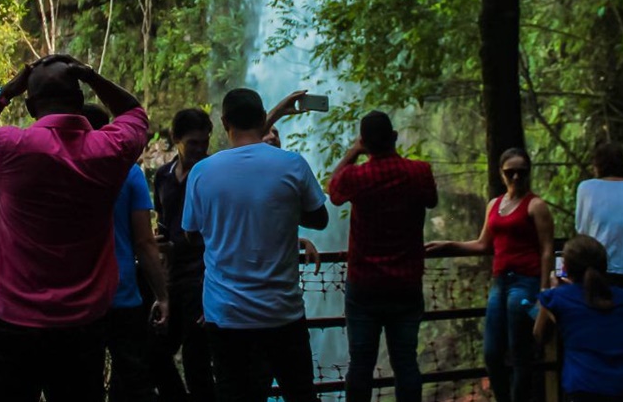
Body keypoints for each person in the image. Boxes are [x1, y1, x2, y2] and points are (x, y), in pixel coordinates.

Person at [0, 55, 148, 402]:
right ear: (81, 101)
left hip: (13, 323)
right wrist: (92, 76)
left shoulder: (9, 147)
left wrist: (3, 92)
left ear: (28, 105)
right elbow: (135, 114)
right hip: (82, 326)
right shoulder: (109, 149)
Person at [182, 88, 329, 402]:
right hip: (283, 312)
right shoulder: (293, 164)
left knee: (234, 394)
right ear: (264, 120)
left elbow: (191, 234)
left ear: (223, 123)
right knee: (301, 393)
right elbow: (320, 219)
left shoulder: (202, 172)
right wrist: (283, 210)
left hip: (226, 314)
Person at [426, 148, 555, 402]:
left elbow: (547, 250)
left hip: (525, 282)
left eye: (522, 172)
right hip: (500, 282)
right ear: (501, 173)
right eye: (510, 172)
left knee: (520, 352)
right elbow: (484, 244)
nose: (516, 177)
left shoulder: (536, 206)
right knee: (492, 353)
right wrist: (449, 245)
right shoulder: (494, 205)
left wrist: (544, 291)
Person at [329, 111, 437, 402]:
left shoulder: (357, 177)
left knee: (361, 366)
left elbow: (334, 191)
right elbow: (432, 199)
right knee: (406, 363)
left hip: (364, 286)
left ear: (364, 142)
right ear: (394, 137)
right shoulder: (419, 172)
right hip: (406, 284)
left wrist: (353, 151)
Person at [81, 103, 170, 402]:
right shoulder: (128, 172)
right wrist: (162, 295)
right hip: (122, 293)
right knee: (133, 376)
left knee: (80, 380)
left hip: (74, 299)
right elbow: (144, 241)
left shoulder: (56, 168)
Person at [534, 235, 623, 402]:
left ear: (566, 267)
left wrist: (554, 289)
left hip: (588, 387)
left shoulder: (558, 299)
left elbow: (538, 334)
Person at [150, 107, 217, 402]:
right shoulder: (163, 176)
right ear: (175, 138)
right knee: (154, 351)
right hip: (173, 277)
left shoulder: (213, 175)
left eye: (205, 143)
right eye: (193, 143)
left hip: (203, 277)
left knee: (196, 360)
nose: (201, 150)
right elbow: (163, 222)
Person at [574, 142, 623, 341]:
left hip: (602, 272)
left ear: (597, 166)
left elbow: (582, 230)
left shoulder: (587, 188)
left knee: (603, 335)